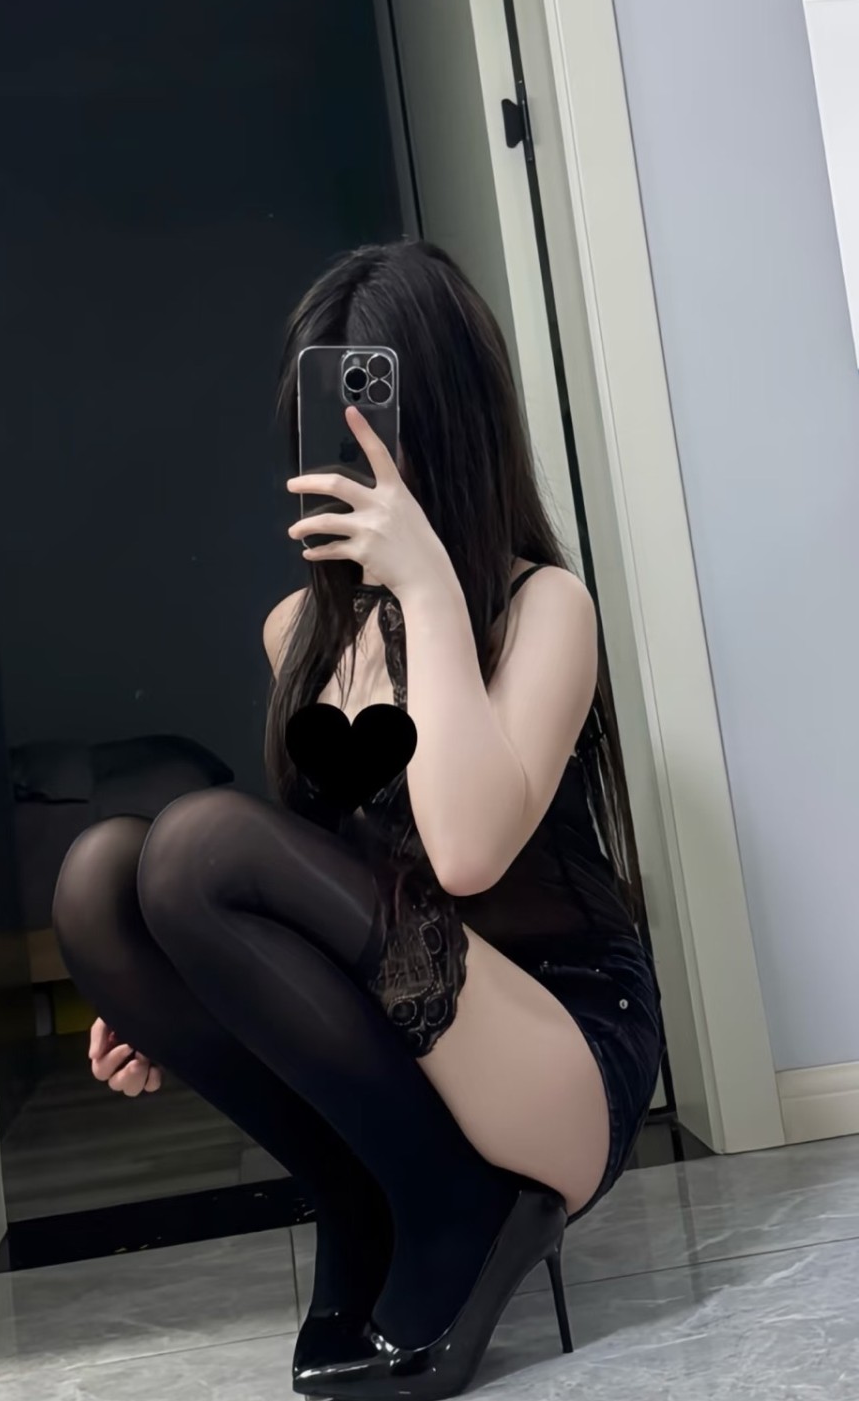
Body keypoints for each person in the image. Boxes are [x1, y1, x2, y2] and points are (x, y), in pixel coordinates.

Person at [52, 240, 663, 1400]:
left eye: (381, 421)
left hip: (560, 1052)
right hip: (413, 1031)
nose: (355, 454)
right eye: (329, 426)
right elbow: (328, 904)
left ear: (451, 426)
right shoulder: (299, 632)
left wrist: (426, 588)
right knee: (106, 880)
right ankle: (364, 1196)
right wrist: (174, 999)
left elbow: (466, 855)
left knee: (201, 841)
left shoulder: (545, 608)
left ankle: (458, 1211)